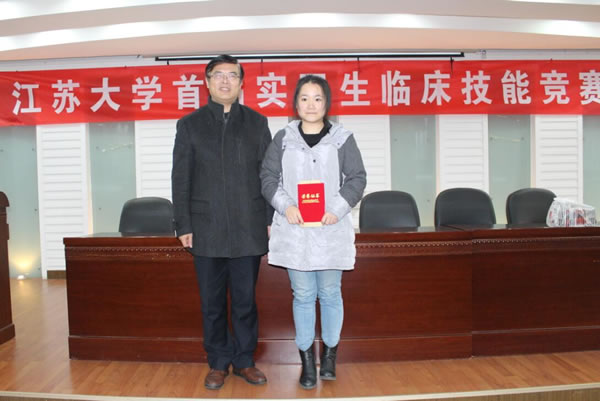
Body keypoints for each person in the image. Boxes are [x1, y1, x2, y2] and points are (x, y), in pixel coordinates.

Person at [171, 55, 272, 390]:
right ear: (207, 81)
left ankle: (244, 361)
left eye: (232, 75)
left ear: (241, 82)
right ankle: (217, 362)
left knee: (245, 302)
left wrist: (269, 219)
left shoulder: (257, 123)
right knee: (212, 303)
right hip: (206, 228)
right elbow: (181, 179)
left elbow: (268, 175)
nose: (225, 81)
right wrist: (183, 224)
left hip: (248, 226)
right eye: (219, 75)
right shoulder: (190, 125)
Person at [260, 75, 367, 389]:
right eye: (304, 98)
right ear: (296, 103)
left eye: (317, 98)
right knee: (304, 295)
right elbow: (268, 178)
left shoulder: (342, 138)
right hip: (295, 231)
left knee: (330, 293)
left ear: (326, 103)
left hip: (330, 229)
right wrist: (285, 206)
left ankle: (330, 356)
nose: (311, 104)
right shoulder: (283, 137)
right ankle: (307, 361)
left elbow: (357, 178)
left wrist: (336, 208)